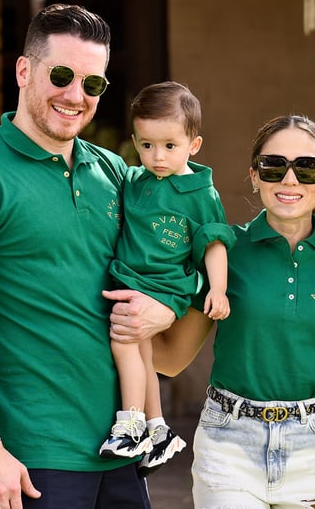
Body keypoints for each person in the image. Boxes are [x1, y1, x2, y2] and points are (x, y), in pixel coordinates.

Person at [0, 4, 176, 509]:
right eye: (61, 75)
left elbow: (172, 254)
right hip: (33, 460)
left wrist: (167, 307)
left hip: (122, 450)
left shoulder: (114, 172)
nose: (75, 95)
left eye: (93, 84)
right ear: (24, 71)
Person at [151, 115, 315, 509]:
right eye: (273, 166)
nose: (289, 180)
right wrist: (111, 328)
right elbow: (173, 358)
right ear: (253, 176)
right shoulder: (224, 252)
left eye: (307, 167)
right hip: (228, 443)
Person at [98, 81, 235, 477]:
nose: (157, 157)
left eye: (170, 146)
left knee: (125, 343)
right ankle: (159, 431)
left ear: (194, 144)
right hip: (132, 281)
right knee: (142, 354)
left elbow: (214, 244)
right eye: (146, 145)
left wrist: (219, 290)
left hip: (166, 288)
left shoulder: (198, 192)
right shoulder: (135, 181)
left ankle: (130, 424)